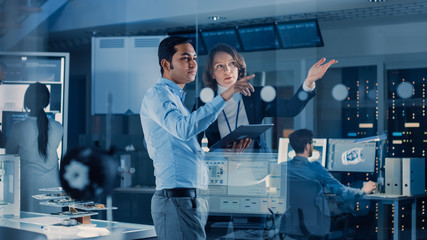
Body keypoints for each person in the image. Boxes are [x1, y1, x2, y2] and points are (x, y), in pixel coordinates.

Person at [139, 36, 254, 240]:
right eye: (185, 58)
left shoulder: (178, 101)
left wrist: (223, 155)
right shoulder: (158, 95)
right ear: (166, 64)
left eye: (194, 57)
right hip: (176, 199)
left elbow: (189, 155)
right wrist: (225, 95)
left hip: (191, 199)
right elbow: (184, 129)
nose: (193, 63)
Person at [194, 44, 337, 151]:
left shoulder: (256, 95)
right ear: (212, 73)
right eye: (220, 66)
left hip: (257, 170)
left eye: (232, 64)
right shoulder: (204, 102)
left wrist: (309, 81)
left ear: (239, 67)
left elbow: (290, 109)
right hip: (220, 170)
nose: (227, 70)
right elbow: (193, 141)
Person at [5, 82, 63, 212]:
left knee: (30, 228)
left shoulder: (18, 128)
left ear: (27, 102)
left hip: (29, 189)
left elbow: (9, 158)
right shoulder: (58, 127)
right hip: (53, 188)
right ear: (46, 102)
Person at [284, 129, 376, 202]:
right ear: (308, 146)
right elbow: (341, 191)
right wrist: (362, 191)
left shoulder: (282, 168)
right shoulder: (316, 168)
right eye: (312, 143)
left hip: (290, 221)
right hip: (313, 221)